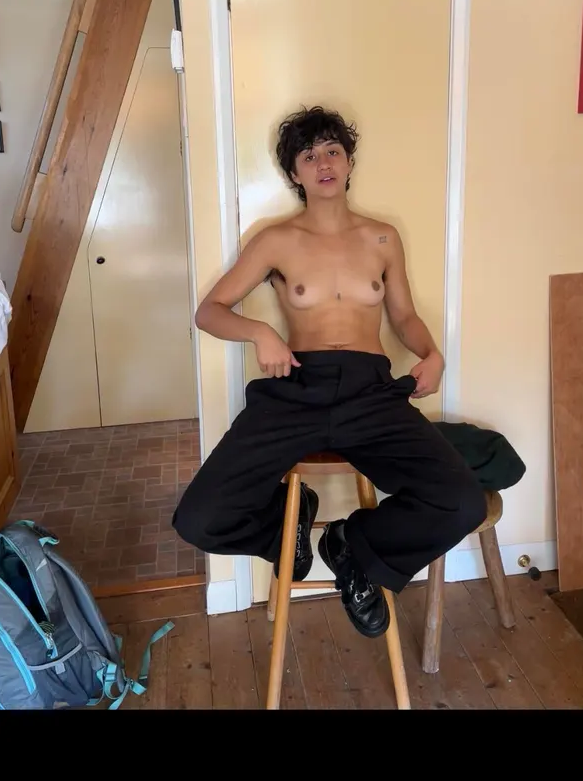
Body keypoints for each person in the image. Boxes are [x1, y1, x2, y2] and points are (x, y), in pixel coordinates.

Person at [173, 106, 486, 638]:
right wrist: (260, 333)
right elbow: (210, 312)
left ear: (348, 162)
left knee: (461, 501)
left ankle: (351, 546)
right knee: (199, 518)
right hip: (296, 388)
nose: (323, 163)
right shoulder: (276, 240)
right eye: (309, 155)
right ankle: (286, 525)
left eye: (332, 151)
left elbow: (403, 316)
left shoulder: (382, 237)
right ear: (294, 174)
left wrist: (432, 354)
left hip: (370, 393)